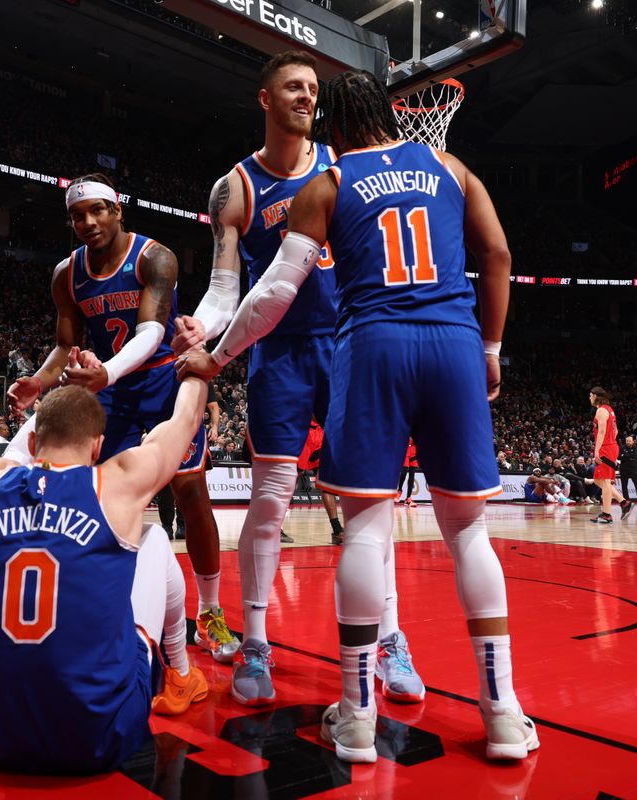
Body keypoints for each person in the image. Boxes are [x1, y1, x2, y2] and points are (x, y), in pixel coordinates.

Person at [178, 69, 538, 762]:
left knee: (367, 527)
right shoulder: (446, 163)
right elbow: (496, 254)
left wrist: (215, 358)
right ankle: (502, 712)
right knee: (466, 532)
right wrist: (491, 349)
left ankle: (359, 713)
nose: (307, 104)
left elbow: (276, 289)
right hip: (444, 344)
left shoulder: (331, 181)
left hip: (367, 346)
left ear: (334, 123)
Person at [172, 51, 422, 707]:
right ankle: (255, 644)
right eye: (294, 87)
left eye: (314, 88)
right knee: (270, 497)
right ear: (264, 98)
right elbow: (226, 289)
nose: (308, 97)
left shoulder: (344, 164)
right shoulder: (235, 188)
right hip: (277, 350)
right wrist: (200, 327)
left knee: (368, 504)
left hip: (348, 345)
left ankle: (390, 639)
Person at [6, 173, 238, 664]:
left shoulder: (154, 257)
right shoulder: (66, 274)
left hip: (161, 380)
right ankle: (105, 603)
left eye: (97, 211)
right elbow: (66, 346)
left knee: (190, 492)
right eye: (77, 214)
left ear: (117, 212)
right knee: (100, 497)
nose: (87, 222)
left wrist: (105, 373)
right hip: (109, 390)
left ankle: (211, 612)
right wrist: (39, 381)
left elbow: (152, 331)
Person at [0, 383, 209, 773]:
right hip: (102, 736)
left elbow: (17, 455)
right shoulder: (115, 483)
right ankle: (181, 673)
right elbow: (185, 420)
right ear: (97, 445)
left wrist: (57, 389)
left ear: (36, 436)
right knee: (154, 538)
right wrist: (196, 367)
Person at [589, 387, 632, 523]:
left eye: (590, 396)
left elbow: (601, 432)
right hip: (610, 446)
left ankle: (606, 514)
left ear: (596, 396)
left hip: (606, 448)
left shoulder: (601, 410)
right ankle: (624, 502)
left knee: (605, 481)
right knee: (598, 480)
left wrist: (597, 450)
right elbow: (616, 431)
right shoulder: (609, 409)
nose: (589, 398)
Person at [396, 438, 418, 508]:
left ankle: (408, 499)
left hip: (414, 449)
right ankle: (399, 491)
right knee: (404, 471)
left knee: (412, 475)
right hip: (406, 447)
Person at [619, 435, 637, 503]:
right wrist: (629, 457)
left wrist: (625, 455)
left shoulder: (635, 448)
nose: (628, 442)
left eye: (629, 441)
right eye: (627, 441)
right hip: (624, 469)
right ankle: (626, 500)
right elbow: (619, 457)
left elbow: (634, 456)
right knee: (624, 486)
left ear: (633, 441)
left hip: (634, 469)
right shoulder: (622, 448)